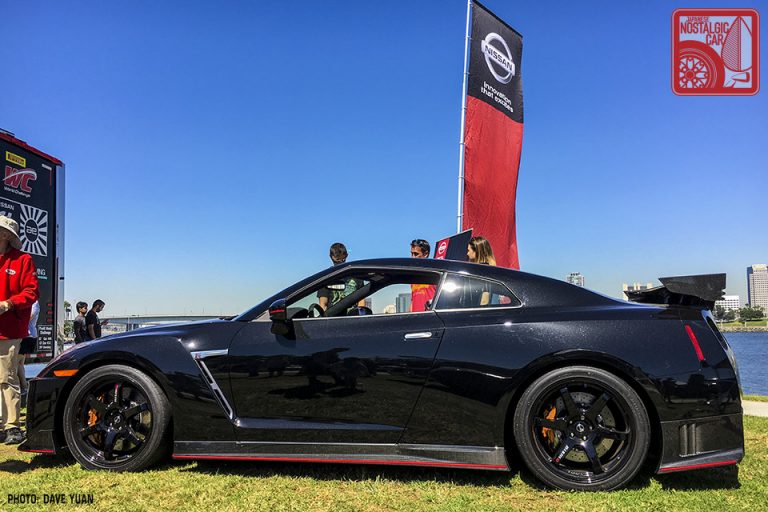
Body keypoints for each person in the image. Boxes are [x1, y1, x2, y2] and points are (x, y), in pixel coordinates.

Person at [0, 215, 39, 445]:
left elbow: (31, 292)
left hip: (8, 330)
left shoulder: (23, 260)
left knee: (7, 377)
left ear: (6, 235)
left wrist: (8, 304)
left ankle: (12, 426)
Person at [317, 243, 364, 311]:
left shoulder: (356, 276)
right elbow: (323, 305)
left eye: (341, 259)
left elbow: (361, 301)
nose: (340, 262)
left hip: (350, 316)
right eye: (337, 259)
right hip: (337, 317)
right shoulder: (326, 277)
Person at [467, 236, 497, 306]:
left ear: (477, 251)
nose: (467, 254)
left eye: (468, 250)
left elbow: (485, 296)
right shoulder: (491, 270)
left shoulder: (483, 271)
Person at [17, 300, 39, 393]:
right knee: (20, 363)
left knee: (18, 362)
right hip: (27, 335)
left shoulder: (34, 303)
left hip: (28, 335)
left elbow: (29, 317)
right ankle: (23, 386)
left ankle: (24, 387)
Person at [410, 239, 436, 312]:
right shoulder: (413, 277)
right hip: (415, 318)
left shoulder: (434, 273)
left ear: (425, 254)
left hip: (429, 317)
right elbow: (413, 301)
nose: (413, 257)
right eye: (411, 254)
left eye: (416, 254)